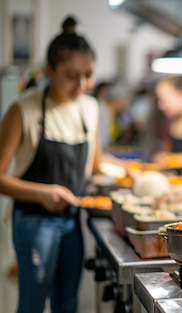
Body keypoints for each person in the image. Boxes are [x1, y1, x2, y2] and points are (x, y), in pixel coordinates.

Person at [0, 15, 101, 313]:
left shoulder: (90, 108)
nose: (82, 84)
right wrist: (45, 193)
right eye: (72, 75)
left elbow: (96, 165)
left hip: (72, 221)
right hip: (33, 220)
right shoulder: (24, 110)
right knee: (32, 304)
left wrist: (133, 173)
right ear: (50, 70)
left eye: (88, 74)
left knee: (67, 302)